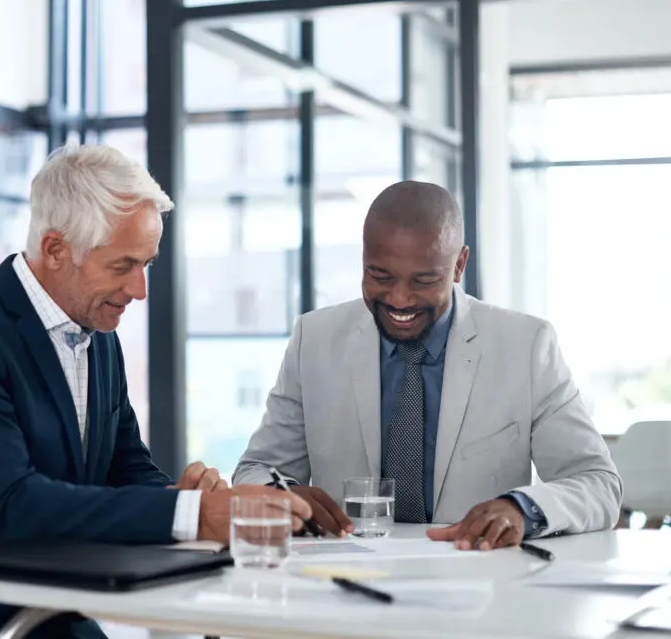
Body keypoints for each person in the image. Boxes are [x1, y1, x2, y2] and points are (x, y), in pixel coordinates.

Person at [0, 145, 310, 639]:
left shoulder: (96, 334)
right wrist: (191, 515)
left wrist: (192, 497)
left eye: (146, 263)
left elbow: (124, 468)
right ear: (55, 250)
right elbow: (12, 506)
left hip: (46, 607)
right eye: (122, 266)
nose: (140, 289)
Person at [233, 180, 621, 549]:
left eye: (423, 280)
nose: (399, 299)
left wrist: (521, 508)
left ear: (458, 265)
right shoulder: (314, 339)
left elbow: (598, 484)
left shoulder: (526, 346)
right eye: (379, 275)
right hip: (346, 581)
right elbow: (256, 468)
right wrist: (278, 495)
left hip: (477, 583)